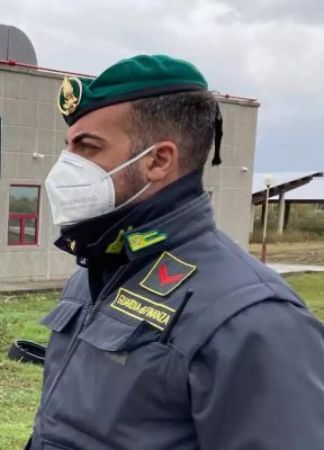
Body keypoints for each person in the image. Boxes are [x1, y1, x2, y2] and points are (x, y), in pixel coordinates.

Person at [25, 55, 324, 449]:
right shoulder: (98, 271)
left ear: (159, 160)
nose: (66, 166)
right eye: (69, 147)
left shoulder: (254, 319)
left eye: (87, 147)